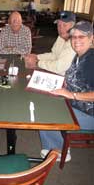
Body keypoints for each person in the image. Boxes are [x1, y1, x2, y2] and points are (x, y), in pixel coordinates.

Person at [40, 21, 94, 162]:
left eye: (81, 37)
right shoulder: (79, 56)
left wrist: (71, 94)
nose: (76, 41)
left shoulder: (91, 60)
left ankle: (59, 149)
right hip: (75, 103)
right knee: (45, 99)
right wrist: (63, 85)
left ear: (91, 38)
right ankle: (54, 143)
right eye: (74, 37)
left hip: (90, 114)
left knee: (47, 113)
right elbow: (75, 79)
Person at [24, 11, 76, 76]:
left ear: (73, 27)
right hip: (56, 73)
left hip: (67, 79)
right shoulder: (61, 37)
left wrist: (37, 63)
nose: (61, 28)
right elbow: (54, 55)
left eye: (64, 25)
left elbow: (58, 67)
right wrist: (37, 57)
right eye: (59, 25)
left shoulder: (75, 43)